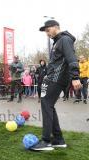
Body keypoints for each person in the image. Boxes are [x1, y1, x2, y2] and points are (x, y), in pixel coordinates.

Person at [31, 20, 82, 151]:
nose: (46, 33)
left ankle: (46, 141)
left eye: (48, 30)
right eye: (45, 32)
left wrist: (75, 77)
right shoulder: (57, 41)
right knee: (48, 105)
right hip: (52, 78)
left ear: (56, 27)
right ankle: (58, 140)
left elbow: (71, 58)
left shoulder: (64, 40)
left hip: (56, 79)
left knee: (46, 104)